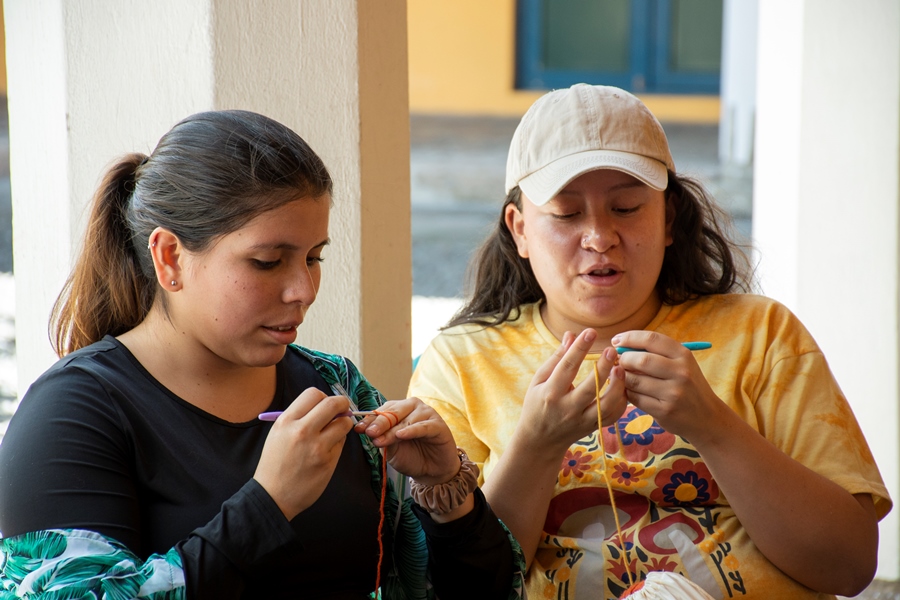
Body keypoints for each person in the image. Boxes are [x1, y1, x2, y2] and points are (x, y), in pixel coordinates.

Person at [0, 109, 525, 599]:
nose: (303, 290)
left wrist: (445, 491)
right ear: (170, 257)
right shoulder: (74, 413)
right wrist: (268, 505)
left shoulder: (333, 382)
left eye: (314, 258)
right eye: (268, 261)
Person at [408, 84, 891, 600]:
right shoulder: (461, 362)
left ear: (669, 219)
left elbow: (849, 565)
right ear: (520, 230)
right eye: (567, 214)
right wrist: (536, 445)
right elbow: (459, 588)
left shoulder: (763, 334)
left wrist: (713, 425)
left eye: (626, 207)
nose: (599, 237)